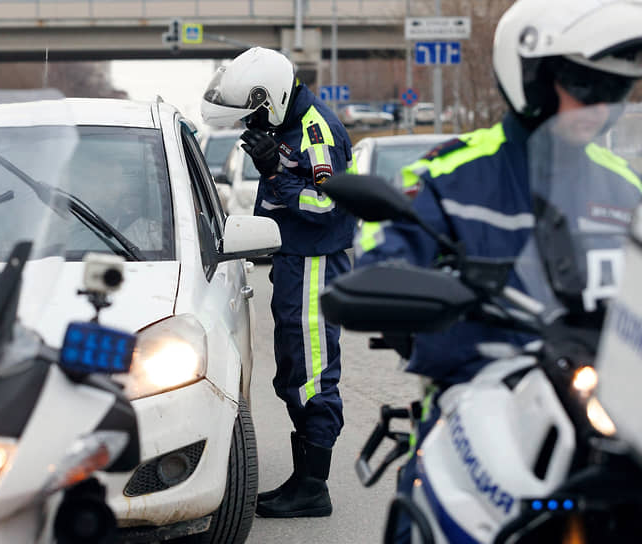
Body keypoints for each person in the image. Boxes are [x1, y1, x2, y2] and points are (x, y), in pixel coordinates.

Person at [355, 0, 642, 540]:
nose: (601, 106)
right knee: (433, 510)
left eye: (617, 90)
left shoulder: (626, 188)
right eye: (586, 84)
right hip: (477, 396)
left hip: (604, 401)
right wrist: (408, 288)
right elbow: (381, 255)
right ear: (533, 79)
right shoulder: (449, 174)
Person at [201, 47, 355, 518]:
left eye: (254, 115)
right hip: (293, 261)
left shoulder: (316, 130)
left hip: (315, 262)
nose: (252, 126)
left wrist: (274, 175)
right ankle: (303, 478)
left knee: (310, 375)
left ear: (271, 99)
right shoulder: (286, 124)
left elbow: (329, 206)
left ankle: (313, 487)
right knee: (293, 370)